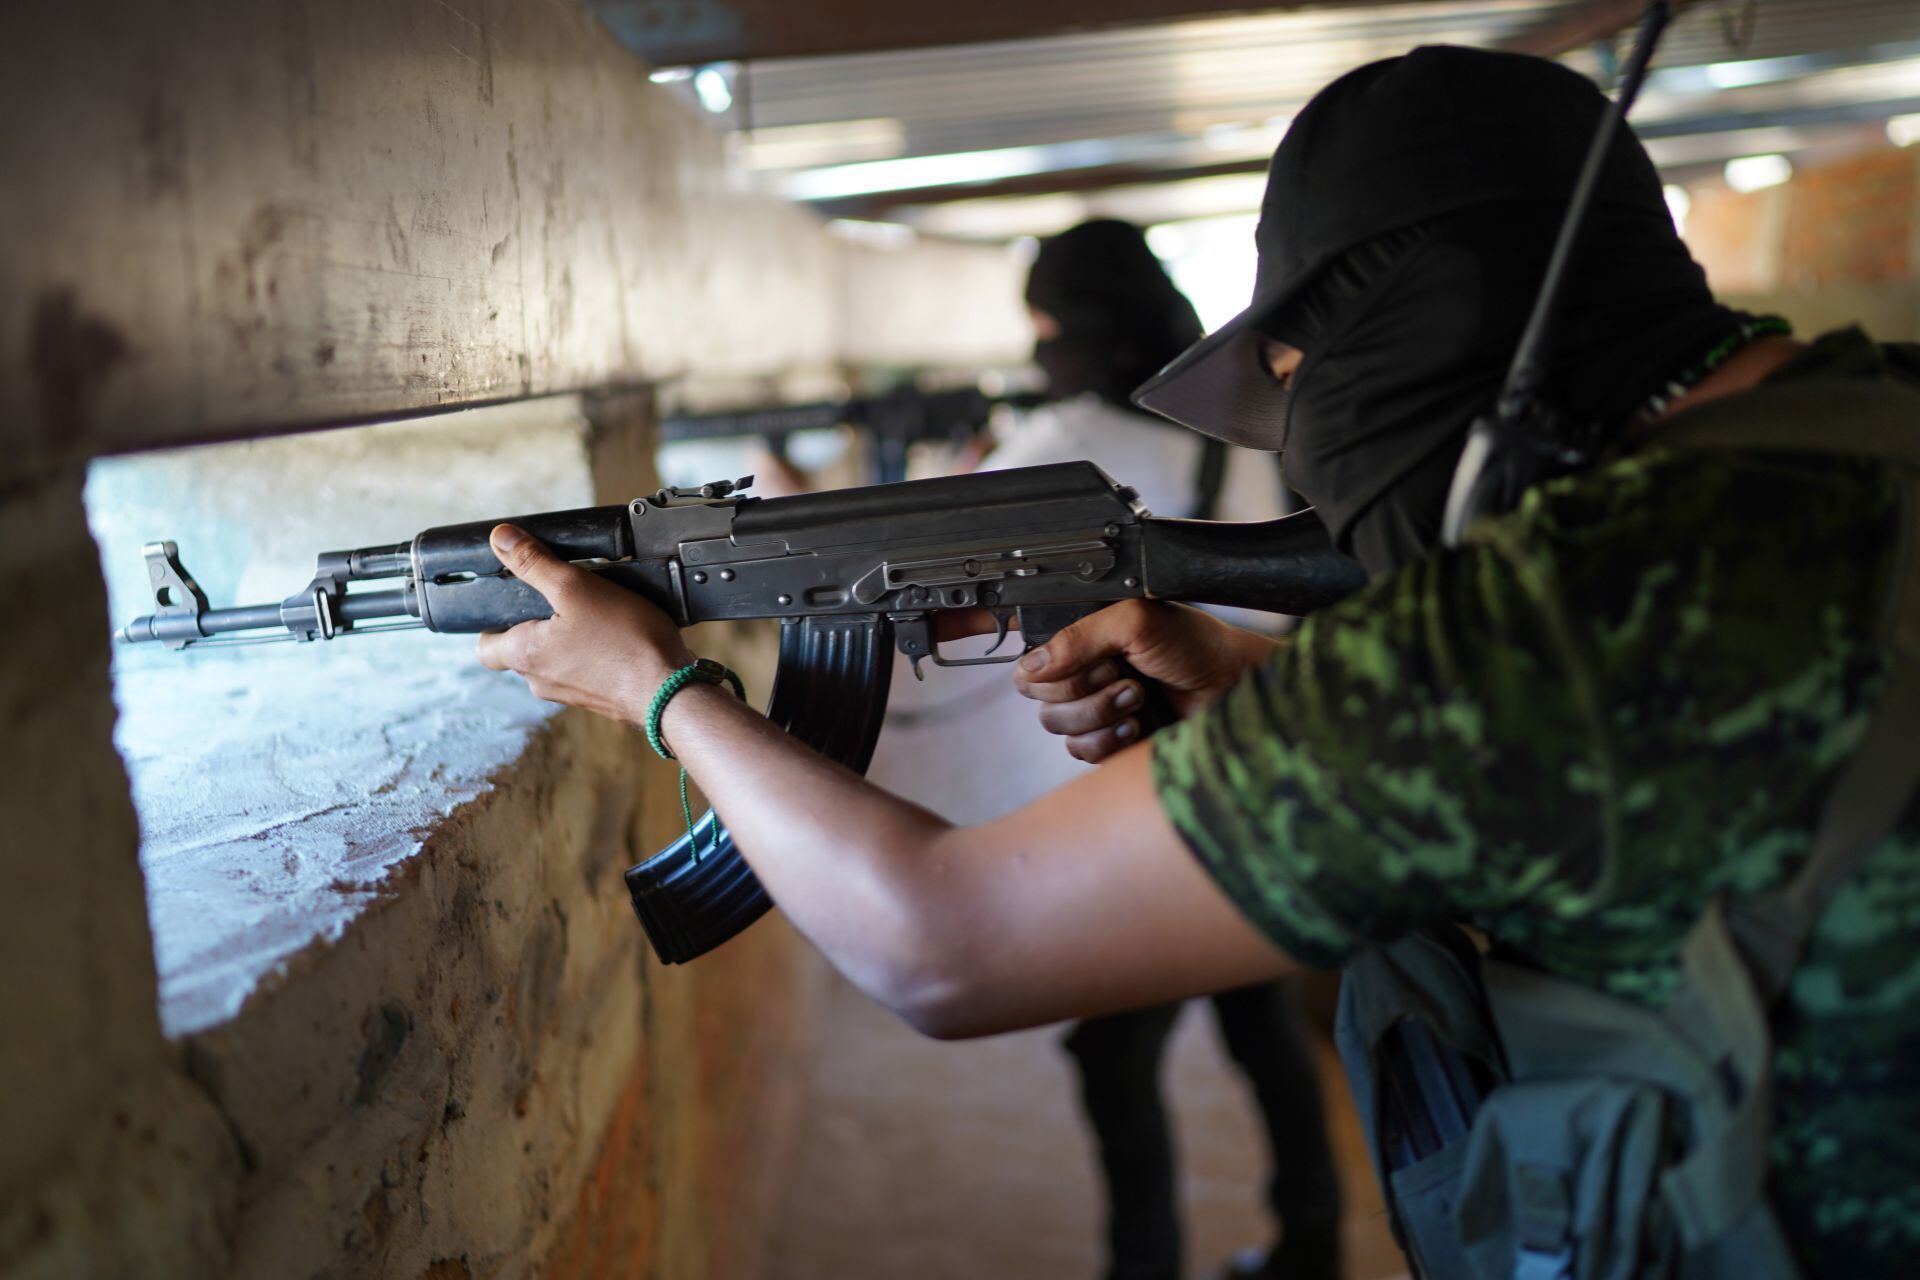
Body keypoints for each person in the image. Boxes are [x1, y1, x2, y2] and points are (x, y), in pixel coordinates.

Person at [474, 46, 1920, 1278]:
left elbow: (941, 945)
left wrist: (657, 691)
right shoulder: (1875, 409)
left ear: (1439, 311)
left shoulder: (1521, 628)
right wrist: (1247, 689)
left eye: (1300, 372)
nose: (1304, 433)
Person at [863, 219, 1340, 1280]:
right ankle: (1313, 1242)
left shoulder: (1069, 440)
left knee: (1115, 1055)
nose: (1037, 343)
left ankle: (1148, 1262)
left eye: (1043, 323)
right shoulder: (1226, 431)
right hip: (1263, 760)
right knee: (1262, 1018)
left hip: (1155, 802)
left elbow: (914, 555)